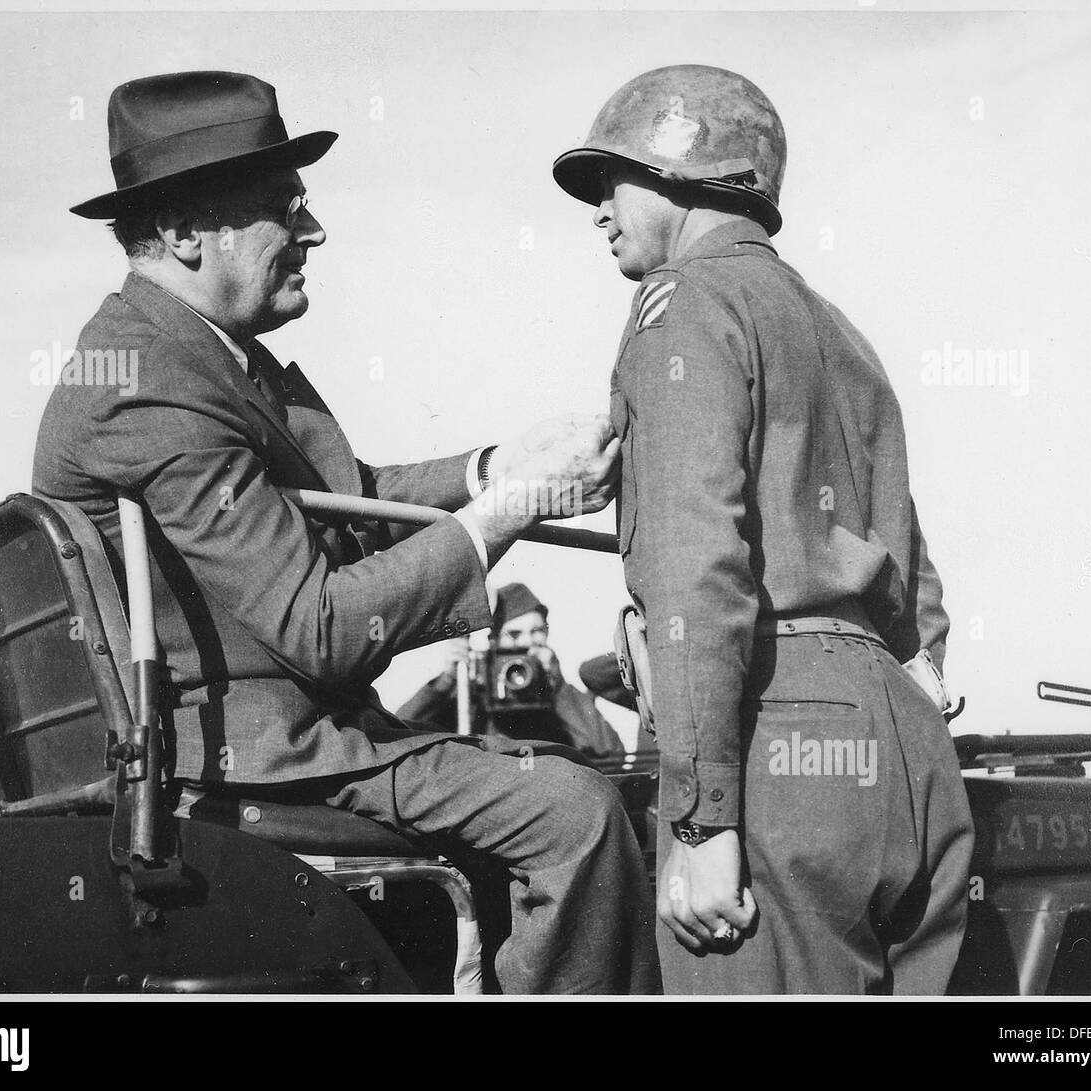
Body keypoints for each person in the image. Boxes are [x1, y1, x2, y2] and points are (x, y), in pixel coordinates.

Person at [34, 70, 659, 994]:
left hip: (265, 738)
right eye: (285, 209)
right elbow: (317, 625)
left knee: (568, 773)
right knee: (579, 809)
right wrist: (512, 506)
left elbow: (339, 499)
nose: (313, 231)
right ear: (180, 233)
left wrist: (494, 467)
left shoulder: (183, 354)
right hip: (256, 760)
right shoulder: (150, 388)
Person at [552, 64, 974, 993]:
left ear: (682, 175)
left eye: (612, 181)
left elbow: (696, 575)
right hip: (904, 745)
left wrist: (703, 821)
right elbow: (912, 573)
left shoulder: (686, 307)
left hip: (776, 738)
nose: (599, 211)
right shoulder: (839, 330)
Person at [397, 582, 628, 759]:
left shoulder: (556, 692)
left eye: (537, 631)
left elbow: (610, 751)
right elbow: (401, 733)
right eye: (515, 634)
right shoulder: (476, 688)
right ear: (494, 640)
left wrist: (557, 687)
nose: (528, 642)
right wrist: (447, 680)